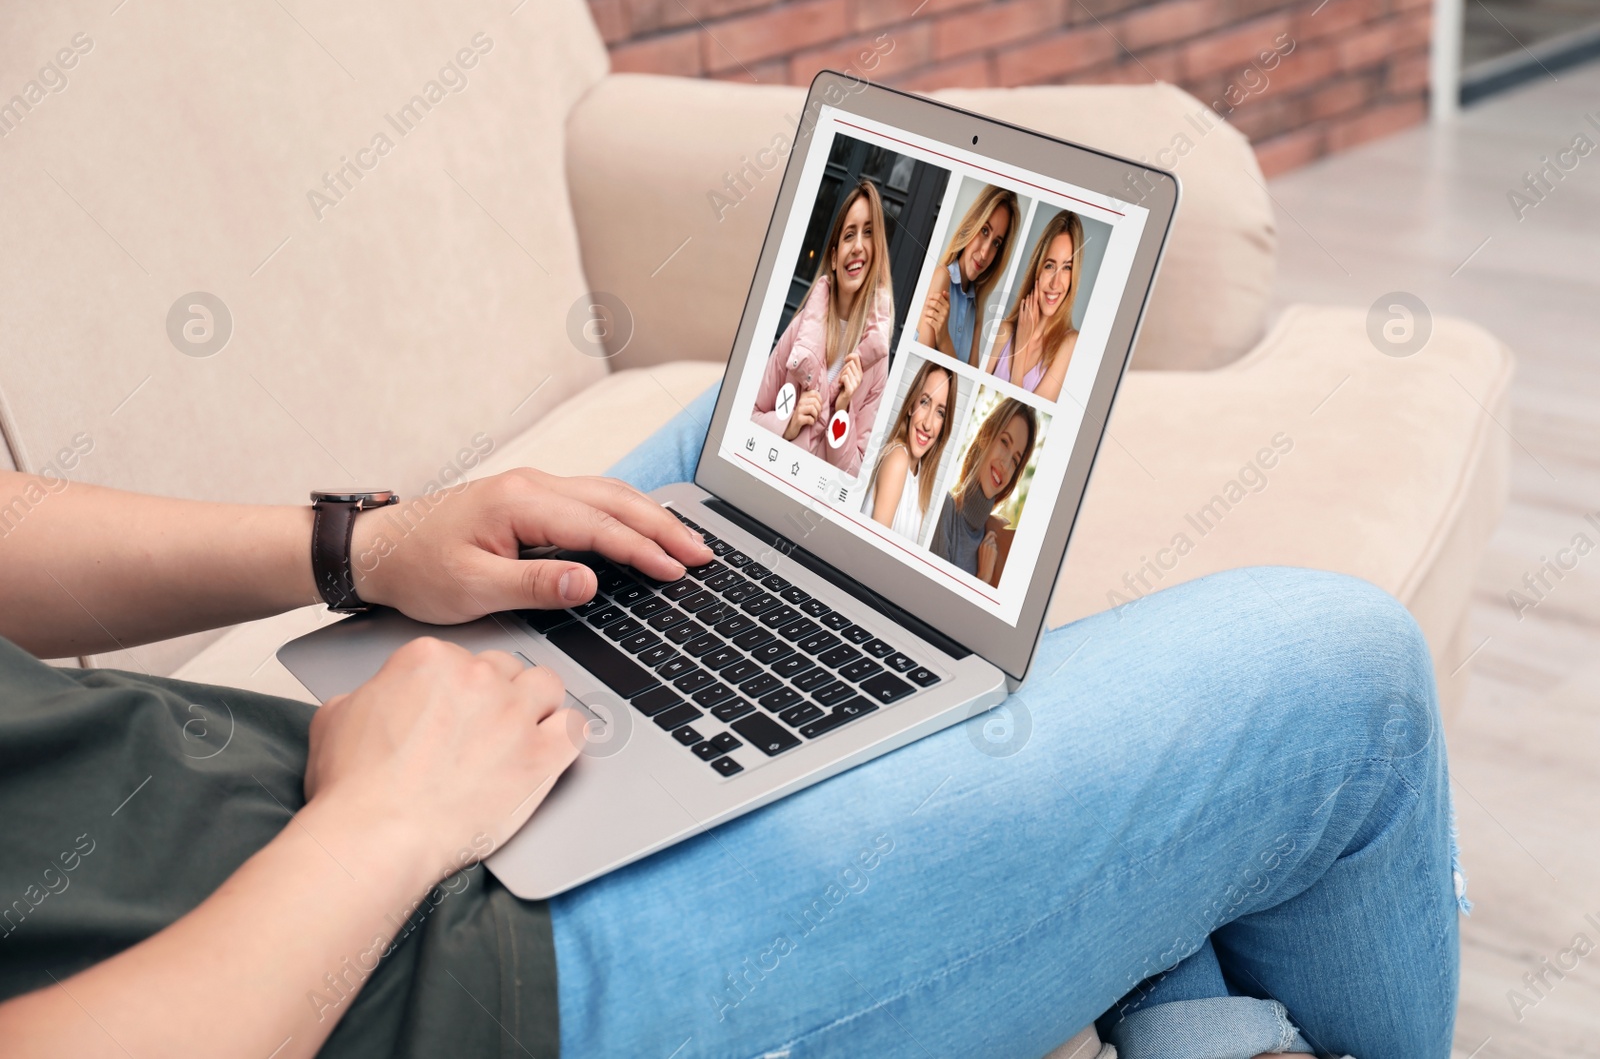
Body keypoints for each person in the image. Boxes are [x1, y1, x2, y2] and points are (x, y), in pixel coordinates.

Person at [0, 386, 1464, 1059]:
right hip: (433, 974)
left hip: (306, 790)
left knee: (743, 443)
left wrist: (363, 547)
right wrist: (383, 821)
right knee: (1345, 676)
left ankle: (1097, 903)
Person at [752, 179, 894, 477]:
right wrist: (786, 425)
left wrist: (842, 408)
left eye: (868, 233)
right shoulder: (801, 329)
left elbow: (854, 473)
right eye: (849, 235)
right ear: (833, 256)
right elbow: (750, 414)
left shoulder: (877, 364)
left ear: (877, 251)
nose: (857, 246)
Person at [928, 396, 1037, 586]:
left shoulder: (997, 542)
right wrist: (982, 579)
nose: (1005, 464)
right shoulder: (944, 511)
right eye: (1004, 442)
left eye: (1015, 460)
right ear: (986, 436)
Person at [916, 184, 1019, 367]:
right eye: (984, 231)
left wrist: (944, 338)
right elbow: (918, 364)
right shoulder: (942, 278)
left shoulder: (977, 307)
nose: (985, 252)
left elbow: (969, 381)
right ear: (972, 225)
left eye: (996, 243)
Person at [989, 210, 1084, 402]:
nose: (1055, 283)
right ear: (1037, 270)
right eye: (1050, 266)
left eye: (1067, 268)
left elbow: (1021, 415)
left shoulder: (1070, 344)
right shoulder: (1004, 331)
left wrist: (1021, 351)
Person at [861, 360, 958, 543]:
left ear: (944, 425)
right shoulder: (898, 460)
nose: (928, 424)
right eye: (924, 402)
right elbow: (873, 555)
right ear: (911, 405)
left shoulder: (921, 479)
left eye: (940, 413)